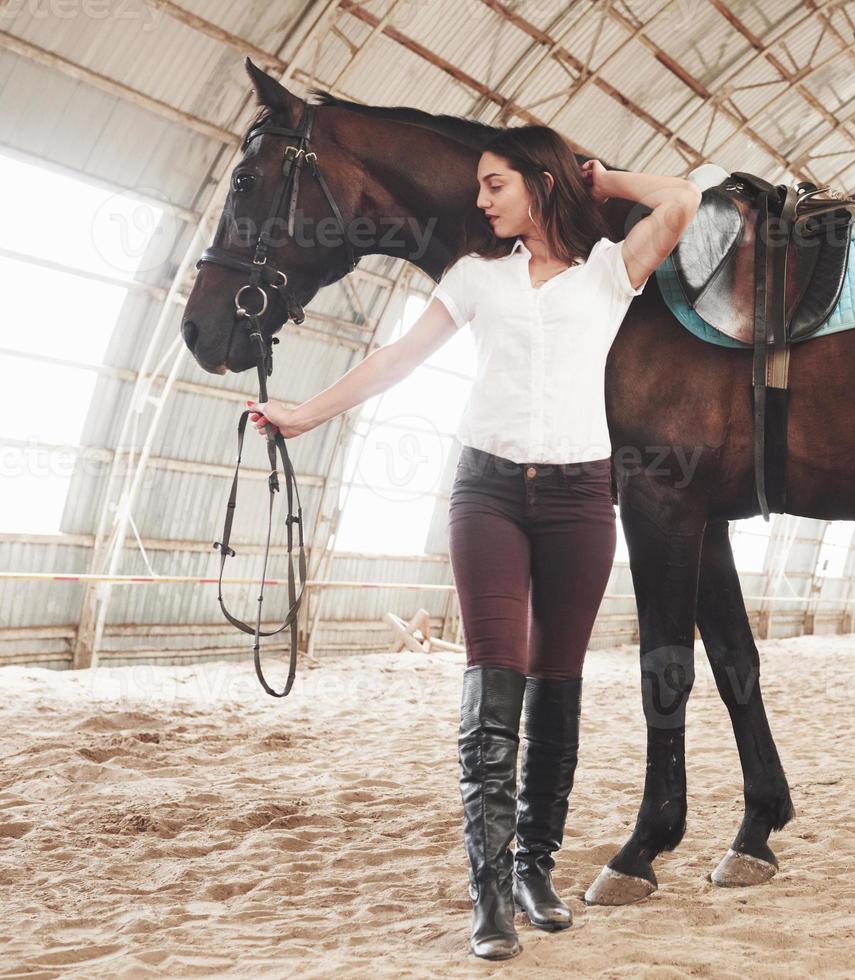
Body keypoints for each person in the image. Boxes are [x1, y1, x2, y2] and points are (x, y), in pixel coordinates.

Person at [246, 124, 701, 960]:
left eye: (497, 184)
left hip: (578, 503)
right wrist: (306, 414)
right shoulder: (475, 278)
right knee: (495, 687)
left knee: (557, 691)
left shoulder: (609, 272)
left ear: (539, 182)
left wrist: (601, 180)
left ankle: (535, 869)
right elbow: (396, 359)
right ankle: (489, 892)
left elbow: (682, 199)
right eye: (481, 186)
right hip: (486, 491)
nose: (482, 198)